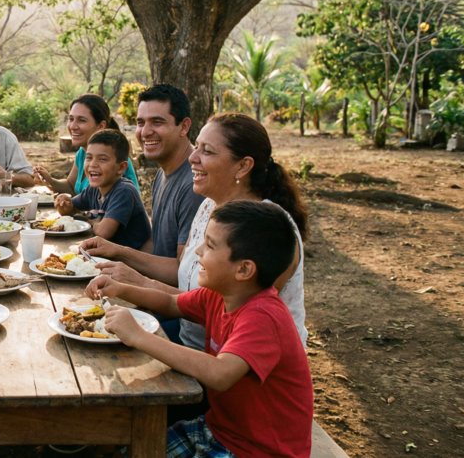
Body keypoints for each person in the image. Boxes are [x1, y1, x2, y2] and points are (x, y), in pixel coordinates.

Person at [87, 201, 313, 458]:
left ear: (244, 269)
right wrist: (121, 289)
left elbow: (220, 374)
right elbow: (171, 303)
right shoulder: (220, 295)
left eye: (210, 245)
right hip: (217, 430)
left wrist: (138, 336)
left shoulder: (263, 316)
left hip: (259, 450)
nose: (197, 250)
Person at [80, 112, 308, 352]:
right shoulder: (209, 204)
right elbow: (184, 280)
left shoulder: (266, 231)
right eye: (196, 147)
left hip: (233, 365)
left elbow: (222, 317)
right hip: (191, 339)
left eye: (207, 151)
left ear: (243, 166)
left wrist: (139, 283)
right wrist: (120, 255)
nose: (193, 158)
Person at [135, 84, 205, 260]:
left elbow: (182, 272)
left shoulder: (195, 184)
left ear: (184, 127)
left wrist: (118, 253)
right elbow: (155, 242)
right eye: (140, 123)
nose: (145, 132)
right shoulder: (162, 172)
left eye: (157, 122)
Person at [54, 130, 152, 250]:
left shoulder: (125, 191)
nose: (92, 164)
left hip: (132, 263)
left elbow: (103, 233)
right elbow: (71, 209)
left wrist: (93, 222)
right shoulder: (94, 188)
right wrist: (64, 204)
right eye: (89, 158)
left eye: (102, 159)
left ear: (121, 167)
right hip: (110, 257)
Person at [33, 93, 139, 195]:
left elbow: (105, 207)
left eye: (81, 120)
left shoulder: (113, 159)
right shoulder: (83, 152)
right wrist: (49, 181)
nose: (73, 126)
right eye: (71, 119)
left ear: (101, 126)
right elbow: (71, 186)